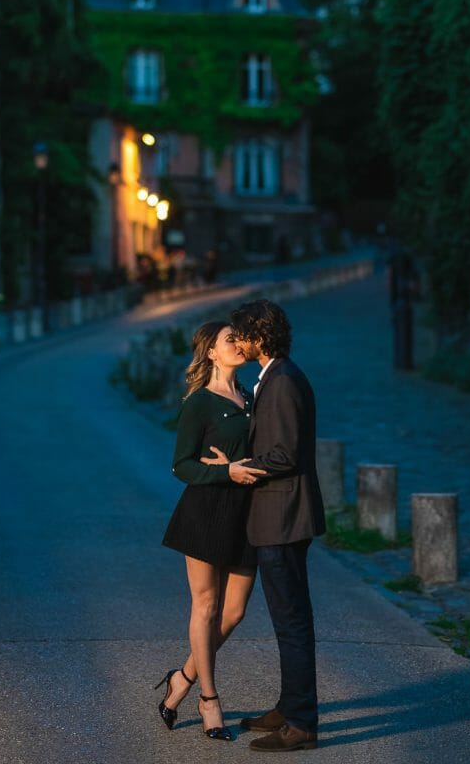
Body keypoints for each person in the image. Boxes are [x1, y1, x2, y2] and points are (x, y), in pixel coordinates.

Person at [158, 320, 267, 740]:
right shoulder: (199, 403)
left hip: (246, 514)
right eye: (229, 340)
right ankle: (208, 698)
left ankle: (181, 677)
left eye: (240, 338)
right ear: (211, 354)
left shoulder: (251, 397)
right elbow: (180, 465)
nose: (238, 344)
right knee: (206, 606)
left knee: (234, 612)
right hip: (205, 510)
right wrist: (224, 470)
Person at [227, 299, 325, 752]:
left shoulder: (282, 381)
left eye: (241, 334)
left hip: (283, 517)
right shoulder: (275, 377)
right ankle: (289, 706)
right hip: (279, 516)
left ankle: (301, 724)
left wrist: (240, 466)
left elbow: (284, 455)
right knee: (288, 620)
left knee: (291, 623)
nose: (237, 342)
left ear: (259, 336)